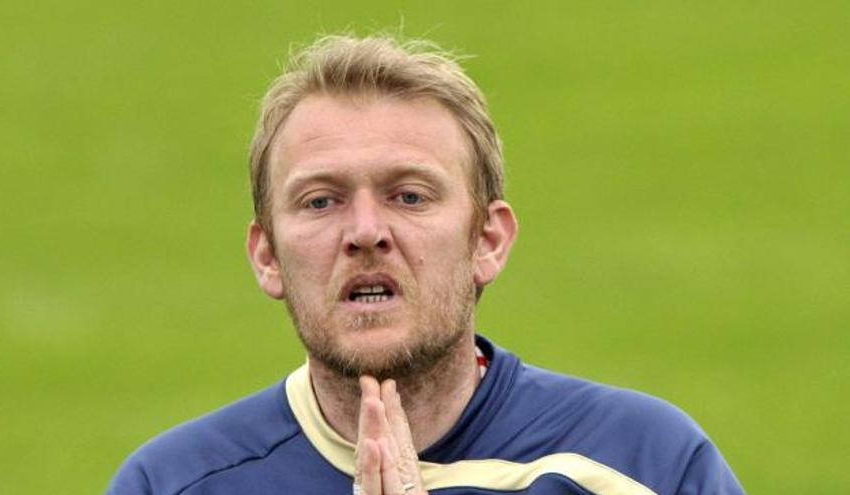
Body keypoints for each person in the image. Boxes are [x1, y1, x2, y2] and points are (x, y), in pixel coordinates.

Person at [107, 34, 745, 495]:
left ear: (486, 241)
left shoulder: (645, 465)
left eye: (409, 196)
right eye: (321, 200)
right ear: (268, 255)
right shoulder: (171, 483)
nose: (364, 232)